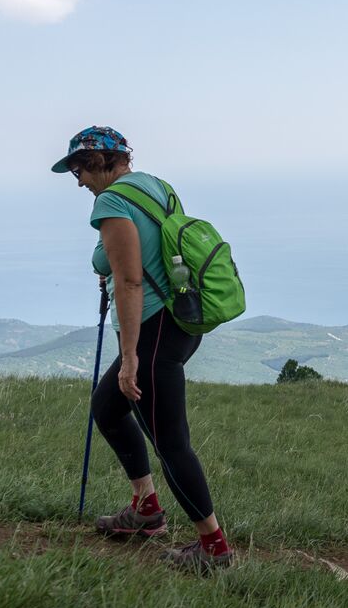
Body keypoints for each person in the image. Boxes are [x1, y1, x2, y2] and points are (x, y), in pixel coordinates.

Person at [51, 125, 232, 573]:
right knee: (107, 408)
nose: (77, 180)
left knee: (171, 443)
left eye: (78, 168)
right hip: (181, 321)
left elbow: (130, 280)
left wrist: (129, 356)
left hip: (150, 333)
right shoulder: (158, 187)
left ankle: (214, 547)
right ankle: (146, 509)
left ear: (99, 161)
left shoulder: (111, 201)